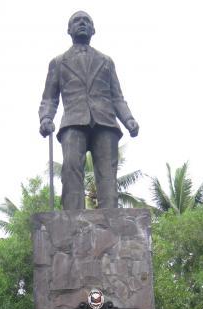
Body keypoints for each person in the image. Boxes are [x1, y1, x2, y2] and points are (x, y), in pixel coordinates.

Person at [39, 11, 139, 210]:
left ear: (93, 29)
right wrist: (46, 117)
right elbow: (49, 98)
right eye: (77, 21)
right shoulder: (58, 63)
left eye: (87, 21)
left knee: (107, 174)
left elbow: (117, 96)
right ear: (69, 30)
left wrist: (128, 119)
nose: (82, 23)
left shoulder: (106, 61)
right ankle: (72, 218)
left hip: (106, 122)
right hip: (73, 122)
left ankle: (110, 216)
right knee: (70, 169)